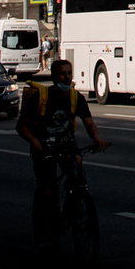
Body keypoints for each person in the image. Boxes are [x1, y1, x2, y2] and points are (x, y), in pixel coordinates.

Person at [16, 58, 108, 232]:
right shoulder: (40, 98)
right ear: (53, 77)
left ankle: (75, 201)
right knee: (48, 190)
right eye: (62, 74)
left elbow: (89, 123)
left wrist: (96, 138)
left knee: (77, 167)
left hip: (66, 144)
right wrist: (34, 142)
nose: (67, 78)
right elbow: (21, 126)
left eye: (69, 73)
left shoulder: (76, 97)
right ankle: (46, 227)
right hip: (44, 145)